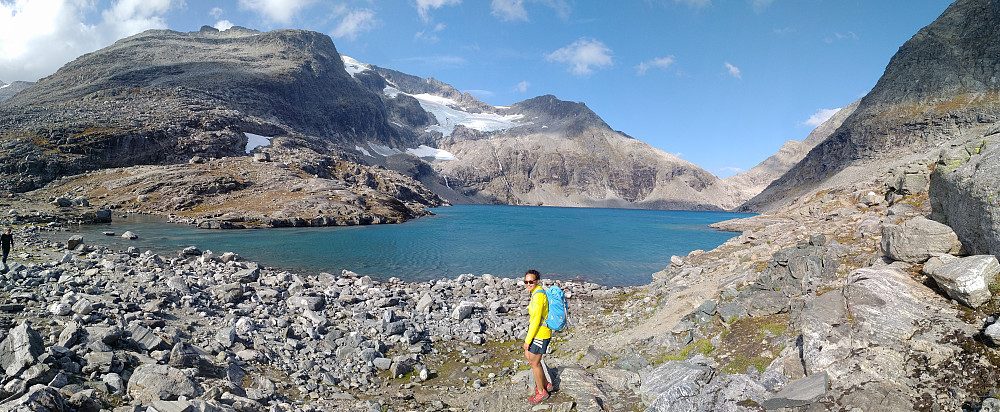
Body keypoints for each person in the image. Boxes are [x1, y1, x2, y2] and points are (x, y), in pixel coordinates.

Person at [523, 269, 553, 404]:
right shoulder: (536, 293)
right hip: (538, 332)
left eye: (531, 281)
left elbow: (535, 320)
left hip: (541, 333)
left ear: (537, 281)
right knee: (531, 359)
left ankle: (541, 393)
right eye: (526, 281)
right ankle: (546, 384)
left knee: (534, 362)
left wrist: (528, 340)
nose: (528, 284)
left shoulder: (538, 296)